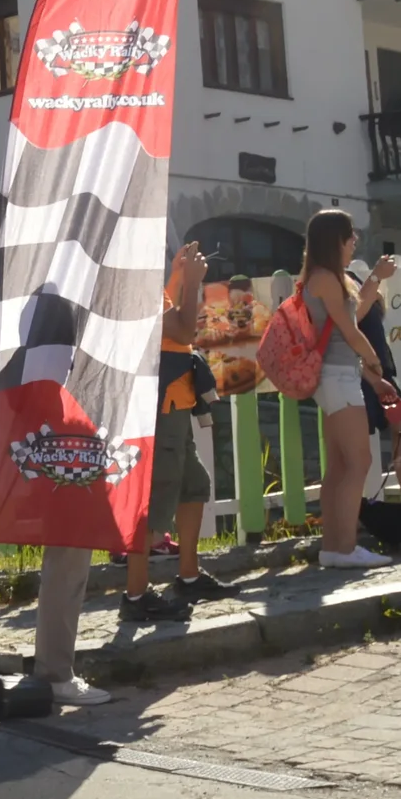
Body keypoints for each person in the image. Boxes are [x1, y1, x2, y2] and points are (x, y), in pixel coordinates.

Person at [122, 244, 239, 622]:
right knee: (155, 498)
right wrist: (192, 283)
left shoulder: (139, 289)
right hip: (161, 410)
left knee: (193, 485)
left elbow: (168, 318)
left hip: (173, 404)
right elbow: (183, 328)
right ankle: (136, 595)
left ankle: (188, 575)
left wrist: (177, 277)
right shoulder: (133, 291)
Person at [301, 209, 391, 568]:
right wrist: (374, 361)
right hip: (337, 376)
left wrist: (375, 279)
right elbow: (350, 330)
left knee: (340, 465)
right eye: (349, 235)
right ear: (333, 240)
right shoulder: (325, 278)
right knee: (359, 461)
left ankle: (333, 549)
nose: (354, 241)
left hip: (338, 376)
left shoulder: (326, 277)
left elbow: (354, 313)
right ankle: (346, 547)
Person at [352, 255, 401, 506]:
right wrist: (376, 276)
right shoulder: (333, 281)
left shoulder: (350, 279)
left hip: (377, 373)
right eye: (348, 239)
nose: (354, 242)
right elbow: (352, 317)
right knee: (355, 451)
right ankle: (351, 516)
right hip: (361, 374)